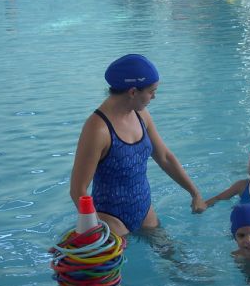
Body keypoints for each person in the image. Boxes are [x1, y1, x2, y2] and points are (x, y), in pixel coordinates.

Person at [70, 54, 207, 237]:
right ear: (133, 92)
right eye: (151, 91)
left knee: (177, 258)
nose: (154, 97)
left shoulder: (141, 115)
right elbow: (78, 190)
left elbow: (165, 157)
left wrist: (194, 192)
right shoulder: (98, 129)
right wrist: (95, 231)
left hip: (145, 212)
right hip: (111, 219)